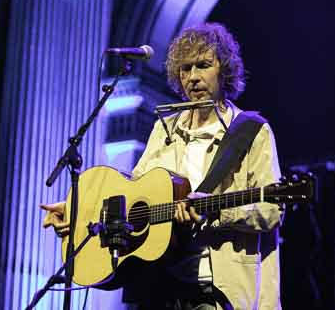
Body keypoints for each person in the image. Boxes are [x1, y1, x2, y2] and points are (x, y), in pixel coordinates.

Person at [42, 23, 283, 309]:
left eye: (203, 65)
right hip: (160, 286)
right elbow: (133, 190)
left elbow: (271, 211)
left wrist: (218, 212)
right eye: (185, 69)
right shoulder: (164, 129)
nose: (192, 77)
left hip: (218, 289)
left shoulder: (252, 132)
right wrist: (78, 213)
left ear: (224, 70)